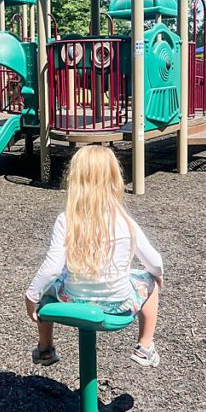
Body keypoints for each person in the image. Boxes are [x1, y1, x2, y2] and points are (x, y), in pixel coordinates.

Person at [25, 146, 164, 368]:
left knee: (48, 285)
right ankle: (145, 347)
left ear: (74, 179)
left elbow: (51, 268)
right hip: (118, 303)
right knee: (150, 284)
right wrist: (157, 275)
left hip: (72, 298)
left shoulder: (66, 220)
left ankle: (45, 348)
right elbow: (154, 261)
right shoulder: (124, 220)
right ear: (114, 180)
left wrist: (31, 296)